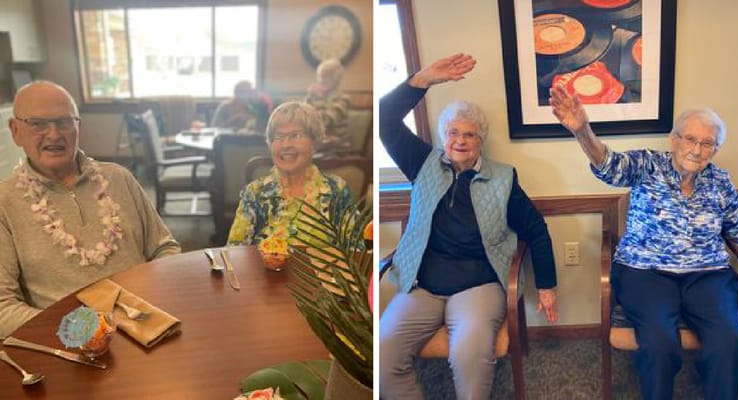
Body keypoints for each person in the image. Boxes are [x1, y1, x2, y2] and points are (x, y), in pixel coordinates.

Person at [550, 84, 738, 399]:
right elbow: (608, 165)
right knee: (658, 344)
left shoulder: (720, 182)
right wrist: (582, 131)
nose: (697, 150)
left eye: (707, 143)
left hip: (708, 274)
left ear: (715, 150)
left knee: (728, 343)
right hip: (645, 272)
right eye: (690, 139)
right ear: (674, 139)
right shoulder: (647, 165)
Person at [379, 53, 559, 400]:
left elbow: (536, 229)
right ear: (443, 136)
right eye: (453, 133)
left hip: (479, 285)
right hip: (422, 285)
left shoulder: (502, 178)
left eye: (470, 135)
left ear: (481, 141)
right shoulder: (423, 164)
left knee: (469, 355)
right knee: (383, 353)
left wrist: (547, 286)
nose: (460, 141)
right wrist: (422, 79)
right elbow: (384, 119)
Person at [0, 81, 181, 338]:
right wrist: (82, 331)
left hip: (147, 324)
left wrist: (156, 303)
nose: (54, 135)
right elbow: (3, 308)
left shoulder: (119, 178)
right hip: (67, 342)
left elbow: (165, 248)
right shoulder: (4, 203)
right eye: (38, 124)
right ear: (15, 130)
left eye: (64, 122)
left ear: (78, 127)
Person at [226, 101, 352, 246]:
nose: (286, 145)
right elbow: (234, 252)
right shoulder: (255, 193)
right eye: (278, 137)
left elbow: (356, 253)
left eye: (296, 135)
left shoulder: (337, 191)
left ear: (314, 142)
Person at [305, 58, 350, 151]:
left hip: (336, 147)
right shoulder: (316, 96)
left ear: (336, 78)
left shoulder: (342, 99)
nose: (321, 80)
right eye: (320, 76)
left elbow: (325, 122)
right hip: (318, 141)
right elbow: (303, 118)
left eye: (326, 77)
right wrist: (309, 98)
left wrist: (318, 98)